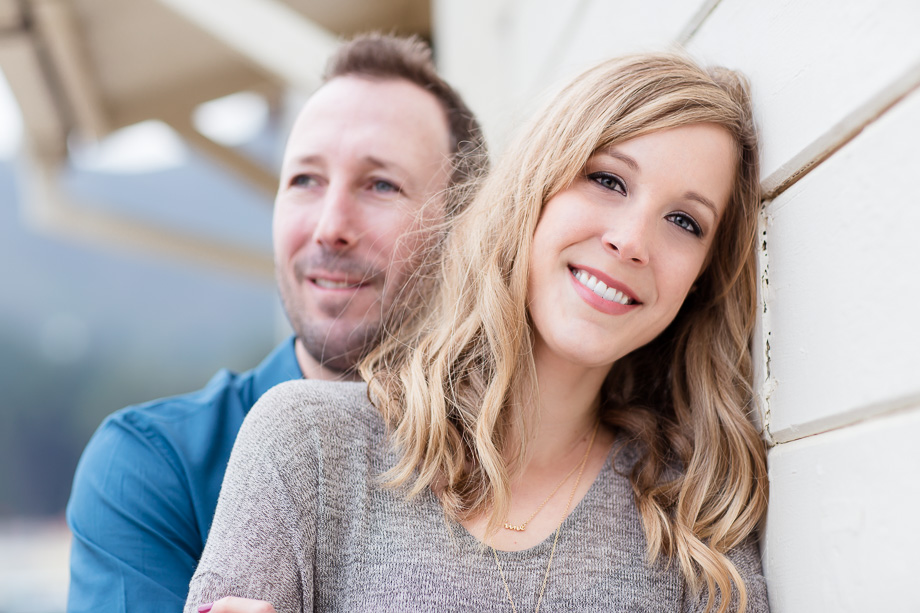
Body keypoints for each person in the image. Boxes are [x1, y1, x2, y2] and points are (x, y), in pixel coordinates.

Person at [186, 52, 770, 613]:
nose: (632, 240)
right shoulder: (308, 444)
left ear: (700, 277)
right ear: (531, 192)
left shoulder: (695, 510)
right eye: (608, 180)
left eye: (684, 221)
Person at [65, 33, 487, 613]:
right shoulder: (154, 468)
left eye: (381, 184)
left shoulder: (532, 469)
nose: (329, 226)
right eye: (305, 180)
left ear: (468, 227)